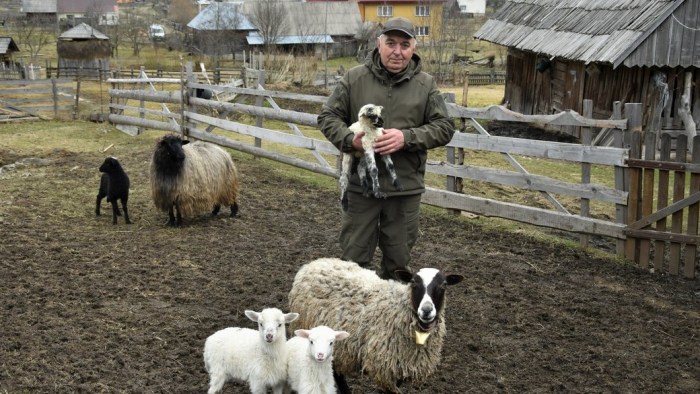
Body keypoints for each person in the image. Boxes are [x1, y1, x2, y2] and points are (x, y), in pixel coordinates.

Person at [317, 16, 455, 280]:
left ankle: (390, 319)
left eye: (404, 44)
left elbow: (444, 127)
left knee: (398, 265)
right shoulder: (354, 79)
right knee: (353, 263)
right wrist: (350, 140)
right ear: (379, 44)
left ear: (414, 47)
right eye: (390, 43)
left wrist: (407, 137)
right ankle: (351, 319)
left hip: (404, 189)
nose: (397, 51)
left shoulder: (426, 86)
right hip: (361, 188)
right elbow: (327, 117)